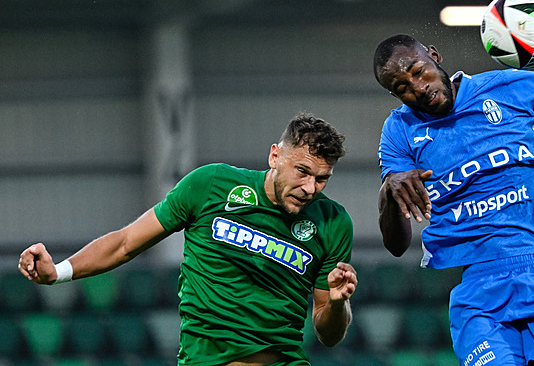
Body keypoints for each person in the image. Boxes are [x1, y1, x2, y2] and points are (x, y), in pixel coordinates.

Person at [18, 113, 357, 366]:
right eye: (302, 172)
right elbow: (124, 244)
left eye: (322, 179)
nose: (310, 188)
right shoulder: (210, 185)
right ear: (275, 156)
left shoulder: (333, 222)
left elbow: (329, 334)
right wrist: (58, 272)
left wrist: (339, 303)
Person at [373, 33, 534, 366]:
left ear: (434, 55)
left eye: (419, 71)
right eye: (401, 88)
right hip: (478, 290)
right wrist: (389, 191)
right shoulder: (400, 130)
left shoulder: (506, 87)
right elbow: (396, 245)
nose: (417, 88)